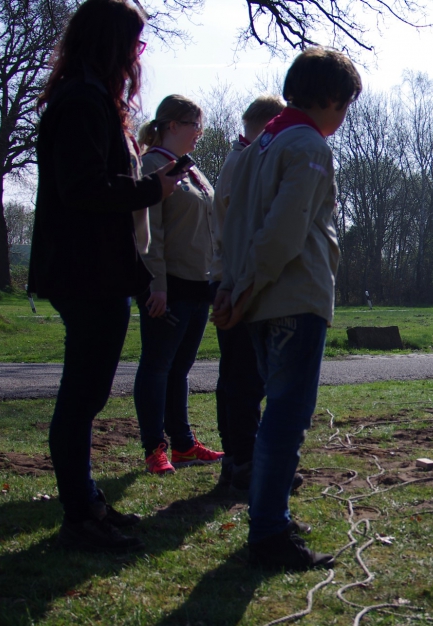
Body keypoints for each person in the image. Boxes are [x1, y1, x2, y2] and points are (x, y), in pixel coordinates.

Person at [29, 0, 183, 552]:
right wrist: (151, 189)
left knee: (86, 394)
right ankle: (80, 514)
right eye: (135, 44)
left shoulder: (89, 97)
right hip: (83, 272)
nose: (139, 56)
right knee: (82, 396)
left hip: (97, 270)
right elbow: (83, 188)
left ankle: (88, 502)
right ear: (112, 44)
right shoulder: (80, 101)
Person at [213, 48, 361, 571]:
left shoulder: (258, 144)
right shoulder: (309, 146)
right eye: (345, 105)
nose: (344, 117)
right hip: (292, 296)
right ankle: (269, 533)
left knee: (275, 411)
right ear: (329, 98)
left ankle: (269, 515)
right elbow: (284, 230)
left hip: (257, 297)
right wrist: (245, 287)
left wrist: (232, 285)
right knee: (286, 416)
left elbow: (230, 220)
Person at [134, 95, 224, 475]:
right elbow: (149, 232)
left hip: (198, 285)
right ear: (173, 125)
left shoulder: (192, 170)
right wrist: (156, 284)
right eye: (195, 126)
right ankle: (154, 447)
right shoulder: (151, 167)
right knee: (157, 367)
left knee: (180, 369)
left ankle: (184, 445)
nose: (200, 133)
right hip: (167, 286)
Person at [210, 95, 285, 492]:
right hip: (238, 279)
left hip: (231, 276)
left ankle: (237, 458)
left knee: (237, 375)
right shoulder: (247, 160)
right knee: (245, 376)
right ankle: (243, 460)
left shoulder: (239, 158)